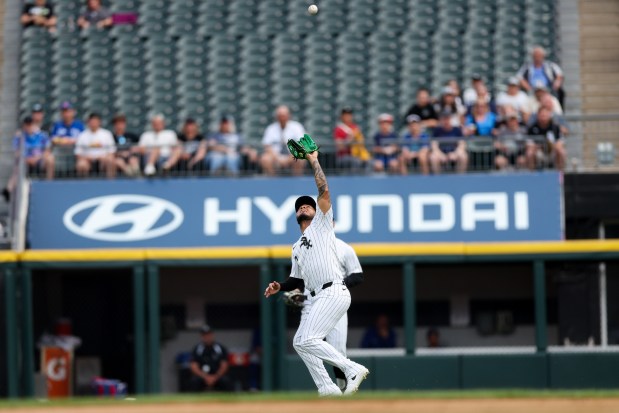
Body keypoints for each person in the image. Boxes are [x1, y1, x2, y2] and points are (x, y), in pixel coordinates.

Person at [264, 140, 369, 397]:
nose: (303, 206)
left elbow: (323, 190)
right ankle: (327, 388)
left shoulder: (322, 226)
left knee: (309, 340)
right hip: (317, 295)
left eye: (307, 204)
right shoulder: (296, 246)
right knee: (300, 342)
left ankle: (351, 368)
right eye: (299, 206)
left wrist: (313, 160)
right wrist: (280, 286)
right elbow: (294, 279)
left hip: (333, 291)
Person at [293, 237, 364, 392]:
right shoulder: (303, 246)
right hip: (309, 303)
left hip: (333, 300)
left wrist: (336, 285)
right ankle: (328, 388)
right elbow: (300, 278)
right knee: (302, 342)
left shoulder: (343, 247)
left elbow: (357, 275)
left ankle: (342, 385)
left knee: (337, 349)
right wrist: (297, 292)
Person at [4, 116, 55, 201]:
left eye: (30, 124)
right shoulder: (20, 137)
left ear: (33, 124)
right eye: (27, 124)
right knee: (18, 166)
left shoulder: (42, 135)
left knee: (50, 158)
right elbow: (17, 153)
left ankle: (48, 184)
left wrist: (37, 158)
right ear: (24, 125)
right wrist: (26, 159)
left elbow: (47, 150)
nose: (28, 126)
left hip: (40, 161)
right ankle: (9, 190)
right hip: (26, 162)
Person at [260, 105, 306, 176]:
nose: (282, 118)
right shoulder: (271, 128)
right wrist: (277, 158)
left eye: (283, 115)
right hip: (275, 156)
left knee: (300, 157)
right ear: (276, 117)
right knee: (265, 159)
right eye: (280, 115)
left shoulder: (296, 127)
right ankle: (273, 181)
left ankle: (297, 181)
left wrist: (288, 159)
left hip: (292, 155)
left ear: (288, 115)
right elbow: (267, 146)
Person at [188, 326, 233, 392]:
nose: (207, 337)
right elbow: (194, 366)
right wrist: (205, 377)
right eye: (205, 335)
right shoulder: (197, 349)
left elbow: (224, 365)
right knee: (194, 381)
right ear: (201, 336)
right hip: (202, 376)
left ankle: (228, 401)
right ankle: (193, 401)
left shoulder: (220, 348)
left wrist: (215, 377)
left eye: (208, 334)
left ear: (212, 335)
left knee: (226, 381)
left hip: (217, 376)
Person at [74, 113, 116, 178]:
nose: (94, 123)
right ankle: (83, 184)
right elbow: (78, 153)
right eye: (92, 121)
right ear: (88, 122)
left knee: (110, 160)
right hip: (87, 160)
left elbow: (112, 152)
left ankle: (111, 182)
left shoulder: (107, 134)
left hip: (103, 160)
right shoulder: (82, 135)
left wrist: (103, 157)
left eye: (96, 121)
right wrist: (87, 158)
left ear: (99, 122)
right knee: (81, 164)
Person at [332, 107, 371, 173]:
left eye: (349, 114)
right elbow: (340, 147)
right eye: (345, 115)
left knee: (370, 161)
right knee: (356, 161)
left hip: (357, 154)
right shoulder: (339, 129)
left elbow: (361, 143)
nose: (348, 116)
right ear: (342, 116)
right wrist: (350, 138)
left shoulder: (355, 127)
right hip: (344, 156)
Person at [528, 106, 566, 170]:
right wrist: (538, 147)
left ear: (549, 115)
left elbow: (560, 142)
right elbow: (529, 144)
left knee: (561, 151)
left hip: (552, 152)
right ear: (538, 115)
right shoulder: (532, 128)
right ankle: (531, 174)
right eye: (542, 115)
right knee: (529, 153)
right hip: (539, 152)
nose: (543, 117)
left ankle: (560, 173)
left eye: (545, 115)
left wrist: (552, 146)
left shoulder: (555, 127)